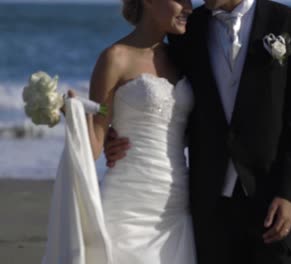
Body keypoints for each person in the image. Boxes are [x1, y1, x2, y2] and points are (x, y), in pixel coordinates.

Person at [105, 0, 291, 263]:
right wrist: (116, 132)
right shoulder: (188, 30)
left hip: (270, 200)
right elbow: (163, 96)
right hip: (207, 203)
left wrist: (289, 194)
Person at [43, 0, 196, 263]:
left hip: (176, 207)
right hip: (128, 205)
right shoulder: (115, 58)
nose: (189, 7)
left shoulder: (185, 58)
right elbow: (94, 146)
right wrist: (75, 117)